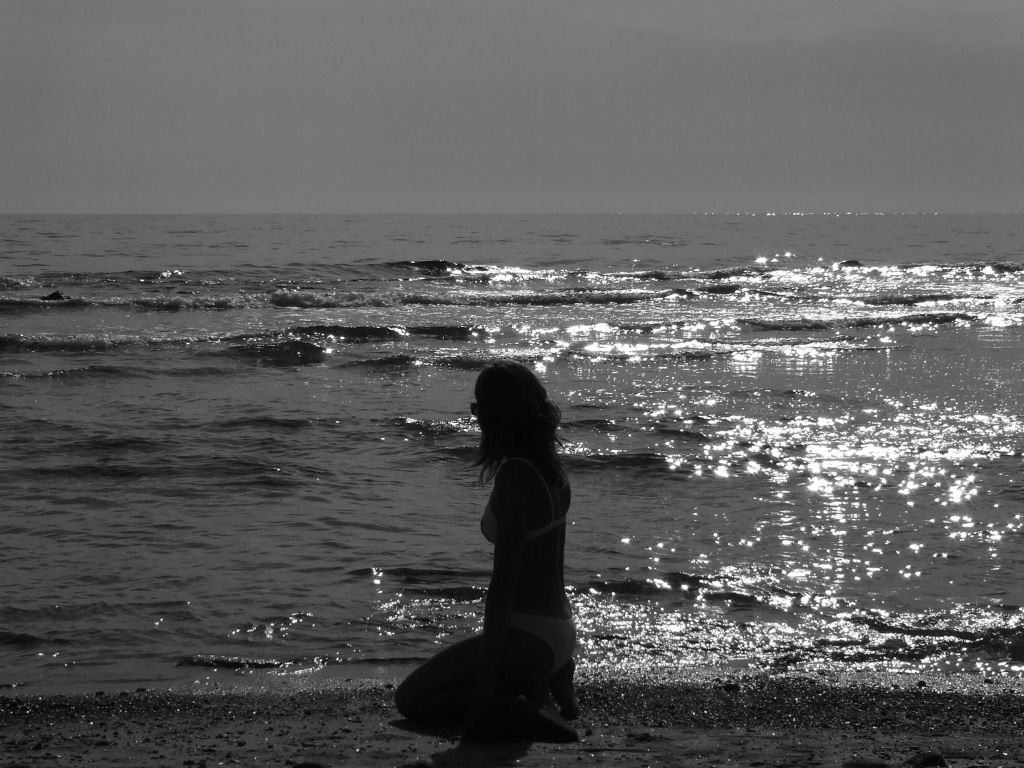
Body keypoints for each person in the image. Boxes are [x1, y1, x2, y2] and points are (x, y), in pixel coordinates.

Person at [395, 360, 578, 739]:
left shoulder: (516, 476)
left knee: (410, 700)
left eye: (478, 408)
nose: (475, 417)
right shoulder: (551, 470)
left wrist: (485, 681)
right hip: (560, 632)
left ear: (497, 415)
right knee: (445, 687)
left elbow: (504, 585)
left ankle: (520, 695)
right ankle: (544, 678)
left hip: (528, 632)